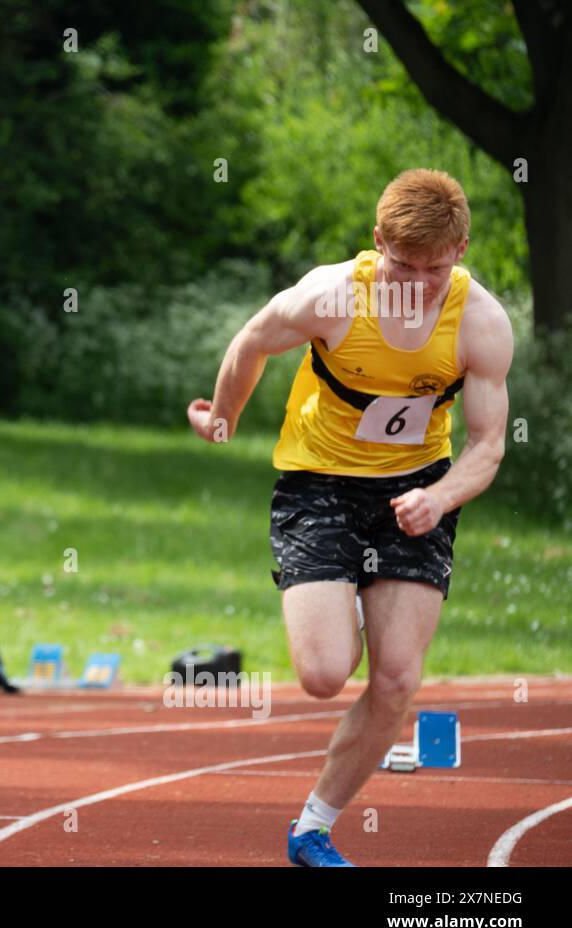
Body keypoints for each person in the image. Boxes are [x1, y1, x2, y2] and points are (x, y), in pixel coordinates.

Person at [187, 169, 513, 866]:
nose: (416, 281)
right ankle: (354, 604)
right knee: (325, 674)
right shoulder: (333, 295)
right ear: (377, 244)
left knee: (397, 679)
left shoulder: (480, 322)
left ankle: (311, 828)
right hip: (319, 483)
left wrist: (443, 497)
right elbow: (251, 341)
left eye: (433, 267)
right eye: (402, 264)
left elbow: (488, 443)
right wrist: (221, 420)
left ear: (460, 249)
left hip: (417, 491)